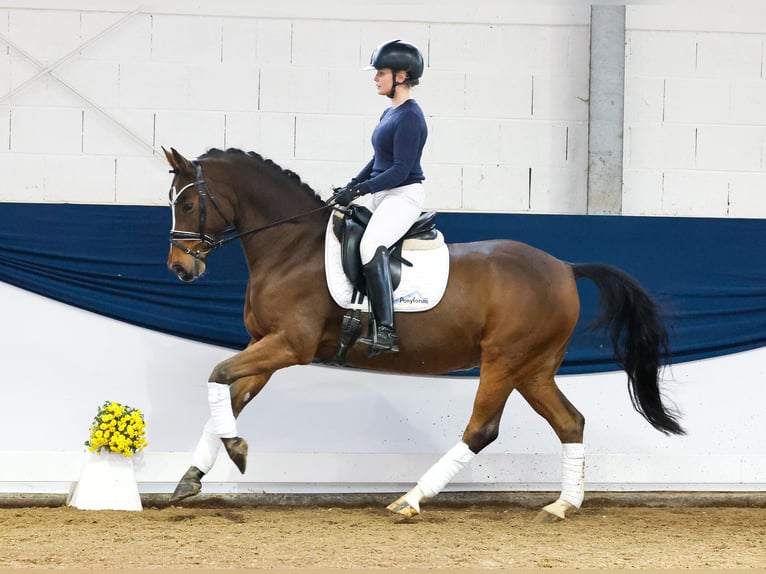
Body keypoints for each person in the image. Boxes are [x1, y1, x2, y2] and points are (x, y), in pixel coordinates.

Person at [333, 39, 428, 356]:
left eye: (381, 73)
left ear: (401, 76)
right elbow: (377, 161)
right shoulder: (390, 113)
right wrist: (352, 186)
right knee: (337, 222)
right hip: (382, 191)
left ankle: (386, 331)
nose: (375, 78)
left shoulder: (410, 117)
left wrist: (360, 190)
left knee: (371, 244)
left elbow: (400, 170)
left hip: (403, 194)